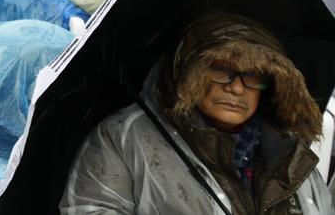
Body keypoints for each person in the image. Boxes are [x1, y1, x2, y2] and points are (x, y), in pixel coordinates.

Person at [62, 12, 331, 213]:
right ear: (189, 71)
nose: (237, 88)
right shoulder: (124, 137)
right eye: (222, 69)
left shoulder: (287, 150)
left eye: (253, 76)